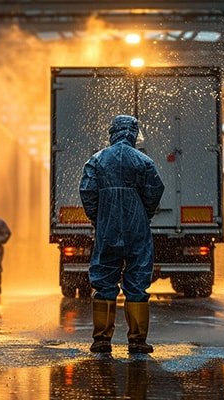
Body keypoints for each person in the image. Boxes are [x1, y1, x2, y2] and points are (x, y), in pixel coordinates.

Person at [79, 115, 165, 354]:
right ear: (133, 134)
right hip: (137, 227)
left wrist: (99, 217)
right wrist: (143, 214)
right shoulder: (143, 160)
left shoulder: (97, 160)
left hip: (107, 227)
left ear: (112, 132)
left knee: (104, 278)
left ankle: (102, 339)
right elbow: (155, 190)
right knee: (137, 281)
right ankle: (137, 340)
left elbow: (87, 191)